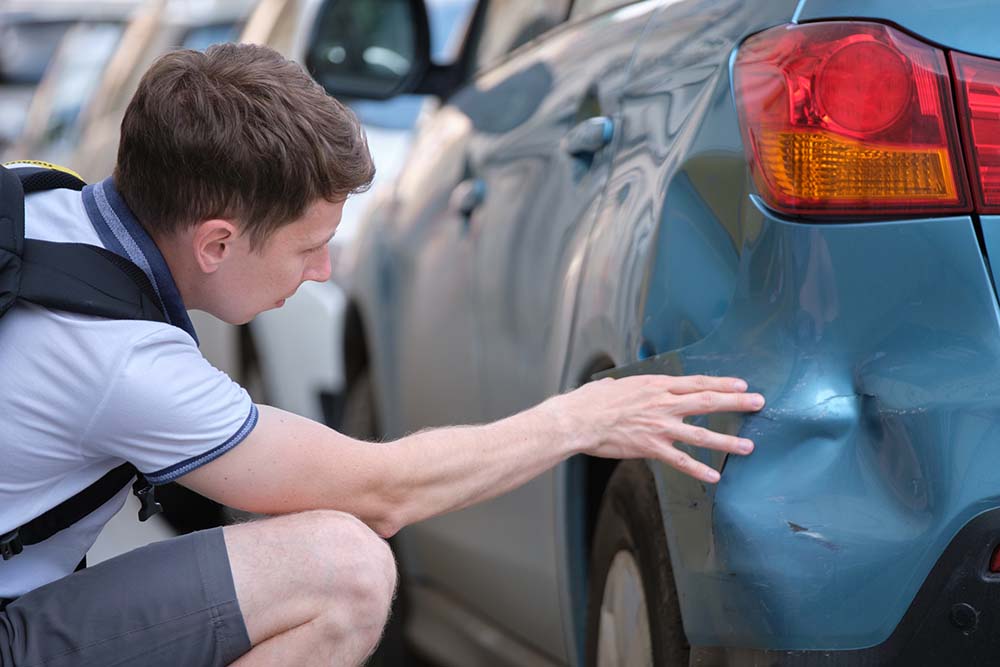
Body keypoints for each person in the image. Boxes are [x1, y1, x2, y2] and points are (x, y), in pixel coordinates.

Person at [0, 43, 765, 667]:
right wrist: (578, 418)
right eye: (310, 245)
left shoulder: (47, 208)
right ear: (217, 242)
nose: (324, 271)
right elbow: (380, 492)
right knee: (344, 571)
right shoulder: (121, 357)